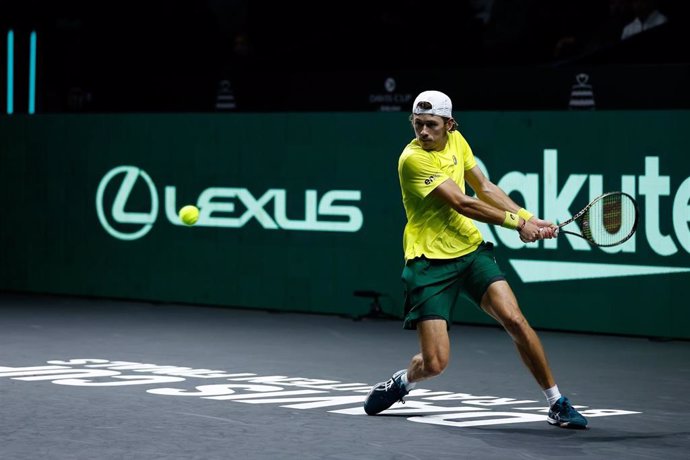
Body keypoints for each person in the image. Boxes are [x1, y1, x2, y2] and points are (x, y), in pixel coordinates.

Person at [363, 90, 588, 429]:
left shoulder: (457, 141)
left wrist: (528, 216)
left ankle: (556, 402)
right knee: (436, 363)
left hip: (469, 251)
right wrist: (517, 225)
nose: (423, 132)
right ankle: (403, 382)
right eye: (418, 124)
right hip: (428, 263)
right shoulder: (412, 159)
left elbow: (483, 187)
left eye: (431, 125)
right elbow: (462, 203)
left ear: (449, 124)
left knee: (515, 319)